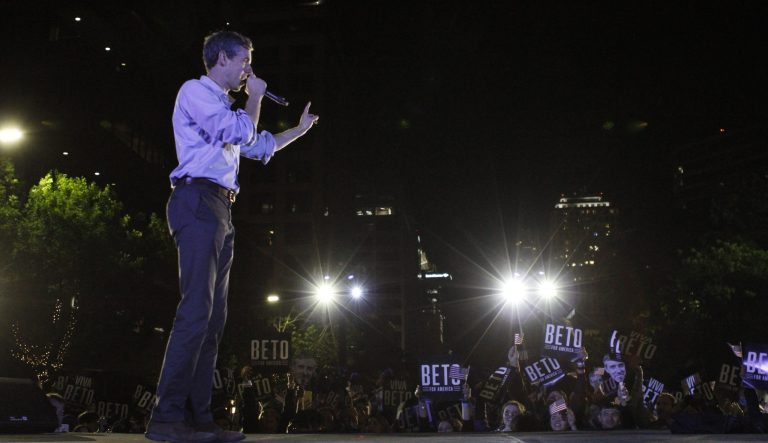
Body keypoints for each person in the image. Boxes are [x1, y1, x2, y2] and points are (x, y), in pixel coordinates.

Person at [145, 30, 319, 443]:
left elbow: (260, 146)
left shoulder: (225, 107)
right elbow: (240, 133)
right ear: (222, 58)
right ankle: (165, 418)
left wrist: (299, 129)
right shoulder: (195, 92)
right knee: (195, 313)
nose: (248, 71)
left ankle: (199, 418)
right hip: (197, 199)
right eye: (244, 62)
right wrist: (255, 97)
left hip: (220, 207)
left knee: (213, 321)